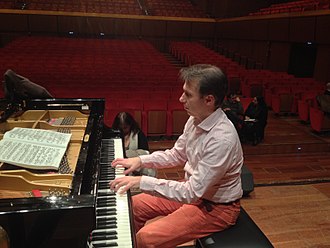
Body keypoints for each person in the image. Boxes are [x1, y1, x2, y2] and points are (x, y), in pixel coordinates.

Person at [110, 64, 243, 248]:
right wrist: (140, 160)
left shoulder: (222, 139)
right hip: (197, 193)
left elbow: (191, 193)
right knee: (134, 206)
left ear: (209, 100)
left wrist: (141, 181)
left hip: (217, 207)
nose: (181, 99)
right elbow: (176, 154)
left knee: (147, 238)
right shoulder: (195, 119)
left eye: (188, 94)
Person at [112, 111, 156, 177]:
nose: (123, 131)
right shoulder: (113, 136)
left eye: (125, 128)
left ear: (130, 125)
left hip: (138, 170)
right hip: (120, 167)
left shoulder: (139, 134)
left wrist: (126, 154)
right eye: (120, 128)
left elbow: (146, 153)